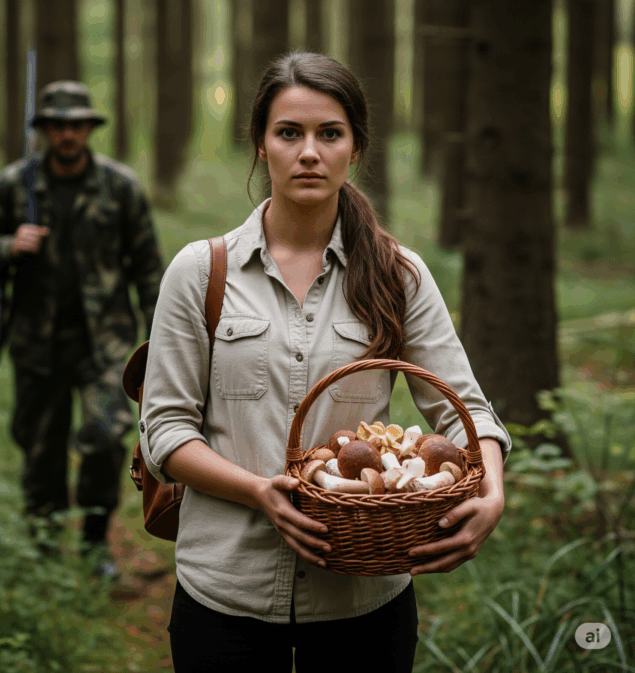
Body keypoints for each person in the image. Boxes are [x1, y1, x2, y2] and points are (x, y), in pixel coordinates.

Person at [139, 52, 511, 672]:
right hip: (223, 592)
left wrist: (492, 495)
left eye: (329, 134)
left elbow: (465, 411)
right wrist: (260, 492)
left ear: (355, 149)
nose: (308, 152)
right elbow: (165, 431)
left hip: (363, 601)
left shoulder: (400, 275)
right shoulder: (201, 272)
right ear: (261, 146)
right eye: (289, 133)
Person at [0, 81, 163, 577]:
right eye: (58, 125)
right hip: (37, 341)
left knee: (104, 437)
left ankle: (97, 544)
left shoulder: (120, 185)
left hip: (106, 342)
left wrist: (157, 340)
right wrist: (9, 245)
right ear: (45, 131)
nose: (68, 134)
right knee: (40, 448)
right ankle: (44, 547)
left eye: (77, 124)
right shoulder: (16, 184)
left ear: (89, 129)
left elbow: (146, 266)